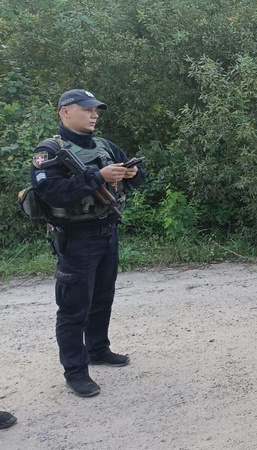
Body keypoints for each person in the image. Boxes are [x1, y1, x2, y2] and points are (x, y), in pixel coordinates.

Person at [30, 89, 146, 397]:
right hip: (76, 239)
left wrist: (131, 173)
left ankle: (98, 349)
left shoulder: (105, 146)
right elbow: (51, 192)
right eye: (87, 109)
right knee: (73, 308)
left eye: (96, 110)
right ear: (65, 112)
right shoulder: (48, 151)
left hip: (107, 232)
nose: (94, 114)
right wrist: (98, 177)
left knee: (102, 298)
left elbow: (137, 177)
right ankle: (76, 372)